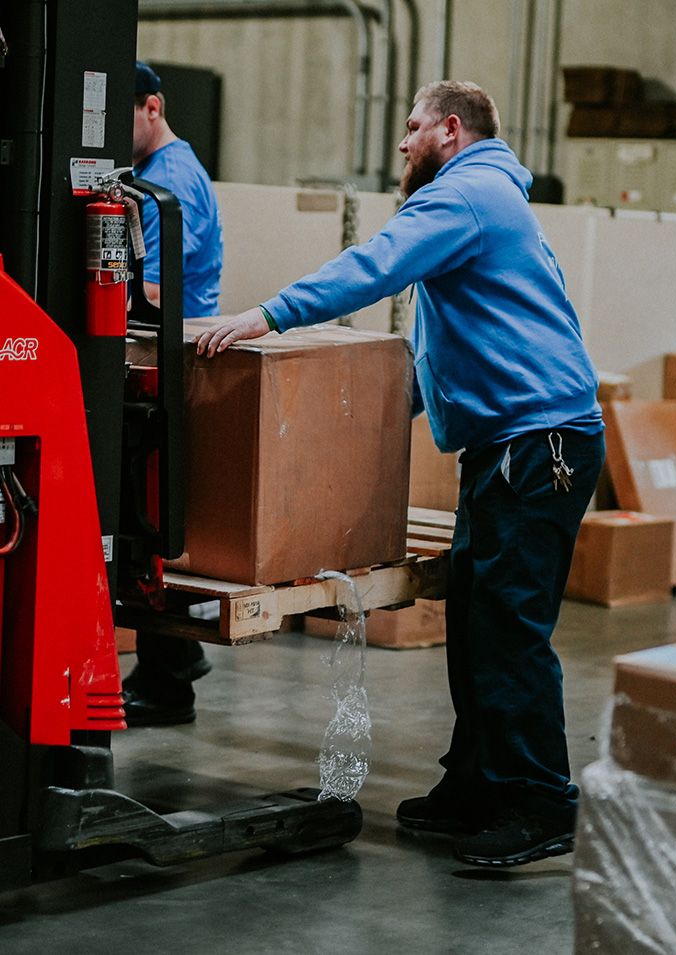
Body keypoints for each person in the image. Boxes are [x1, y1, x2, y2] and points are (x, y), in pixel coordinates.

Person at [195, 81, 605, 867]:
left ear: (452, 129)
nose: (403, 143)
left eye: (412, 127)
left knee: (510, 629)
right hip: (515, 446)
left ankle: (540, 800)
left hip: (539, 446)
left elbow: (374, 265)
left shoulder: (468, 194)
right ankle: (480, 782)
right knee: (479, 622)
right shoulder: (482, 197)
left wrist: (268, 314)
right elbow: (446, 348)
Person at [121, 60, 224, 727]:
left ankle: (168, 673)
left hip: (166, 363)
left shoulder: (170, 182)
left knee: (142, 511)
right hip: (150, 358)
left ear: (152, 107)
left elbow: (157, 295)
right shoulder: (147, 178)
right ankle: (169, 667)